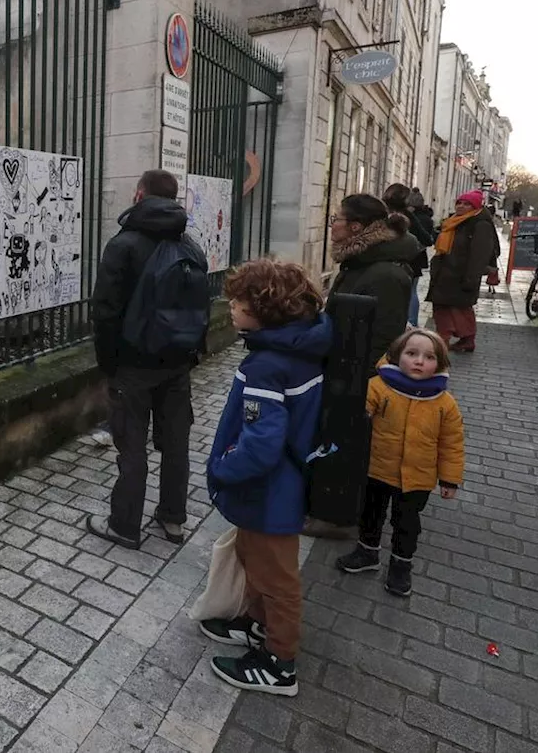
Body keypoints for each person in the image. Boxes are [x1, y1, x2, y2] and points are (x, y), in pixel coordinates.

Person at [200, 259, 331, 697]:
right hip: (278, 486)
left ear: (264, 307)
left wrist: (221, 469)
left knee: (276, 577)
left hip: (271, 489)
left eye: (238, 301)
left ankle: (280, 662)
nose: (230, 308)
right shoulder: (297, 349)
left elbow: (260, 444)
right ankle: (258, 626)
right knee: (254, 559)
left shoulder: (267, 365)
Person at [87, 169, 208, 549]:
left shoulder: (124, 244)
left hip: (134, 365)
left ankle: (124, 526)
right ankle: (173, 520)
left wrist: (109, 365)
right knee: (176, 444)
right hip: (177, 362)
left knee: (132, 446)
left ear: (139, 195)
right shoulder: (189, 243)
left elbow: (104, 311)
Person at [336, 329, 464, 596]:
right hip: (377, 470)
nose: (419, 361)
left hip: (417, 479)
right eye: (411, 354)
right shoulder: (379, 387)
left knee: (406, 524)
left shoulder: (444, 403)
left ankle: (400, 566)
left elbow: (451, 444)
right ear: (396, 356)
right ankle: (368, 552)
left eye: (429, 357)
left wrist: (450, 479)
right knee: (370, 514)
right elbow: (358, 414)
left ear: (439, 364)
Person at [327, 194, 420, 375]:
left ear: (355, 227)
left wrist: (359, 390)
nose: (332, 225)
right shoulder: (358, 262)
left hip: (357, 383)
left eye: (336, 219)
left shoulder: (386, 275)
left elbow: (382, 342)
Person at [427, 191, 498, 352]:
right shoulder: (454, 222)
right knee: (451, 309)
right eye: (459, 203)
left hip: (460, 274)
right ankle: (466, 339)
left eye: (467, 204)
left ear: (475, 207)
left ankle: (441, 345)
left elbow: (479, 255)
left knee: (451, 310)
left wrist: (471, 279)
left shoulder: (480, 225)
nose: (461, 206)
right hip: (446, 272)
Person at [384, 184, 433, 328]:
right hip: (410, 261)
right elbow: (427, 239)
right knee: (411, 292)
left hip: (388, 261)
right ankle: (411, 324)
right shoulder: (408, 215)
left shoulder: (379, 213)